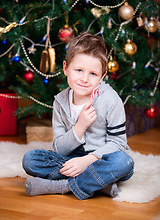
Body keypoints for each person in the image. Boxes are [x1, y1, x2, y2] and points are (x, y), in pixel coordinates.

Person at [22, 32, 134, 200]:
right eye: (79, 70)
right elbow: (59, 148)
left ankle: (63, 186)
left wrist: (87, 161)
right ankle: (99, 183)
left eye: (93, 74)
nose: (84, 79)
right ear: (66, 68)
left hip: (101, 159)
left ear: (102, 76)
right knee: (30, 160)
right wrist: (79, 127)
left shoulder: (110, 100)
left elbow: (118, 143)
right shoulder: (60, 102)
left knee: (124, 163)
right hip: (70, 159)